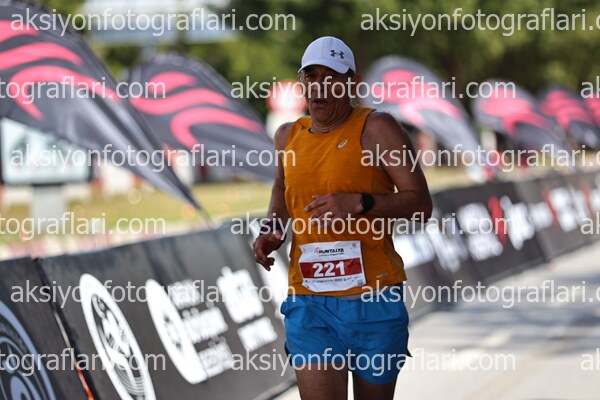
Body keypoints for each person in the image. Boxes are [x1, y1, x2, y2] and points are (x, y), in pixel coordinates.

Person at [253, 36, 432, 400]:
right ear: (302, 82)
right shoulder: (287, 136)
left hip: (373, 298)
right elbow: (281, 188)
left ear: (352, 83)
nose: (320, 86)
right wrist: (273, 227)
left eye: (331, 77)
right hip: (310, 300)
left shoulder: (377, 128)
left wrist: (360, 203)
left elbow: (420, 204)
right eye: (312, 76)